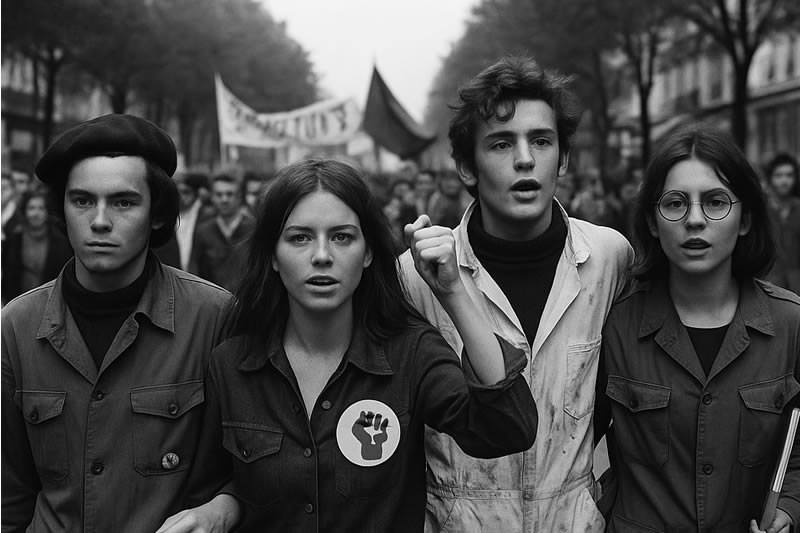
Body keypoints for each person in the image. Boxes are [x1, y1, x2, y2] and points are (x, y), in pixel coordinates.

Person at [158, 158, 538, 532]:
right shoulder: (231, 364)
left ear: (368, 252)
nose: (322, 256)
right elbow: (220, 484)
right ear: (273, 256)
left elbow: (507, 429)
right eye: (299, 238)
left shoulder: (411, 353)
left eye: (342, 237)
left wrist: (452, 291)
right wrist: (220, 510)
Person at [398, 55, 633, 532]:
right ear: (466, 166)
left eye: (541, 141)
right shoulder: (414, 274)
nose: (525, 158)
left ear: (563, 158)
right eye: (502, 143)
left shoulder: (609, 257)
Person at [1, 113, 237, 532]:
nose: (99, 221)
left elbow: (247, 466)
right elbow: (9, 493)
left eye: (124, 202)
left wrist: (223, 508)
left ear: (158, 214)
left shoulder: (213, 317)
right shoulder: (15, 328)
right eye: (82, 200)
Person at [594, 125, 799, 532]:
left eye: (716, 202)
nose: (694, 220)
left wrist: (790, 507)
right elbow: (568, 449)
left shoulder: (790, 324)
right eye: (674, 203)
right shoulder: (615, 325)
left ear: (745, 220)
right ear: (652, 221)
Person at [1, 187, 73, 305]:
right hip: (17, 303)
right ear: (25, 211)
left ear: (47, 212)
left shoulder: (61, 242)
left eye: (41, 208)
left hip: (49, 304)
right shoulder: (14, 239)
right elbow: (7, 272)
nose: (36, 213)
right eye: (31, 208)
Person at [191, 173, 254, 291]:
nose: (224, 199)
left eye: (229, 194)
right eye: (219, 195)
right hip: (213, 301)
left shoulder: (253, 230)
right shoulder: (203, 231)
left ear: (239, 197)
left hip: (248, 302)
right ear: (212, 198)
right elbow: (196, 273)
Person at [764, 153, 800, 293]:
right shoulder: (760, 209)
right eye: (779, 175)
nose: (784, 181)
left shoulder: (798, 208)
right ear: (770, 178)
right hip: (768, 282)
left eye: (789, 175)